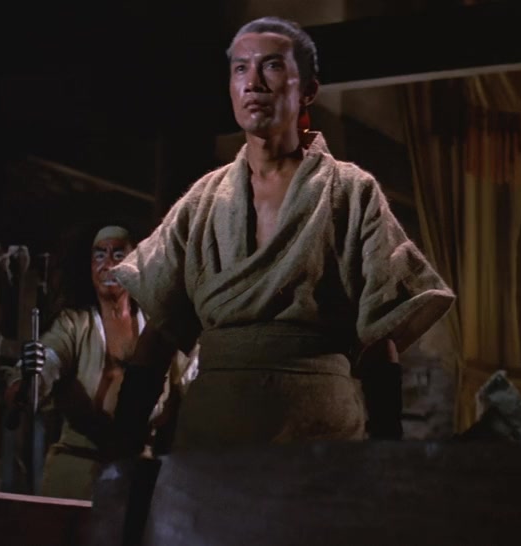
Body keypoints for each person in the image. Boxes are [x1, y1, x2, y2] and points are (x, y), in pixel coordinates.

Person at [107, 16, 454, 455]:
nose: (252, 82)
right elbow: (158, 332)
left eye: (271, 66)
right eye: (240, 69)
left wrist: (387, 452)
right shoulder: (203, 201)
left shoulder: (350, 192)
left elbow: (378, 331)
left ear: (307, 89)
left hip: (318, 434)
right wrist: (121, 452)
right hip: (212, 437)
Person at [4, 225, 195, 500]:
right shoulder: (74, 325)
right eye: (99, 256)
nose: (108, 265)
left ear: (137, 263)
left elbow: (190, 378)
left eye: (118, 255)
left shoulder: (158, 327)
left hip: (138, 471)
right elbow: (50, 359)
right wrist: (29, 378)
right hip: (76, 469)